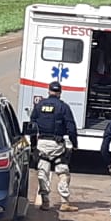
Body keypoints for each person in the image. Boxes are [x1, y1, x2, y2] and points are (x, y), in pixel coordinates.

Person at [29, 81, 79, 212]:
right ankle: (64, 202)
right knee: (63, 172)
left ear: (49, 91)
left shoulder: (39, 105)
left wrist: (34, 146)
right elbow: (71, 127)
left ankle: (45, 202)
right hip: (57, 145)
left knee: (43, 173)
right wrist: (74, 144)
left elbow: (32, 127)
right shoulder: (63, 107)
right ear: (60, 93)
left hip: (42, 144)